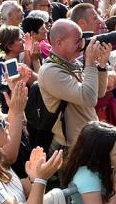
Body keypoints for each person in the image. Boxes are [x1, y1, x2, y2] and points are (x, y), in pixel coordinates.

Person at [37, 19, 110, 151]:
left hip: (86, 140)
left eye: (82, 40)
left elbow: (98, 93)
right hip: (71, 147)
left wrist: (102, 65)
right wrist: (90, 63)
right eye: (78, 41)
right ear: (59, 42)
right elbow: (89, 98)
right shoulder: (51, 71)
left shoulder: (71, 63)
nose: (82, 45)